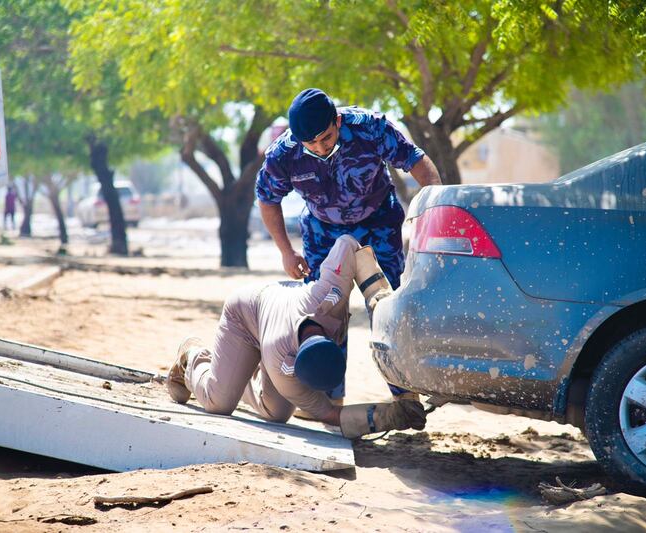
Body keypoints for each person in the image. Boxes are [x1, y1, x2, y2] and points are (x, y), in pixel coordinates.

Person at [255, 88, 441, 403]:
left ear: (337, 121)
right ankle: (330, 397)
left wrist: (434, 218)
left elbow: (417, 162)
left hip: (378, 222)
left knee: (390, 306)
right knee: (325, 311)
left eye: (325, 138)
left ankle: (405, 393)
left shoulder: (370, 128)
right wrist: (286, 251)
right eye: (310, 143)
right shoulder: (283, 154)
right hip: (322, 231)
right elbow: (267, 199)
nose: (320, 147)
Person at [165, 235, 426, 438]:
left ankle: (234, 373)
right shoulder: (282, 363)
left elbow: (348, 244)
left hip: (278, 313)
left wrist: (377, 298)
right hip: (244, 316)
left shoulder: (327, 294)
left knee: (275, 413)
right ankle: (193, 358)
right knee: (218, 403)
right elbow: (330, 413)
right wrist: (388, 417)